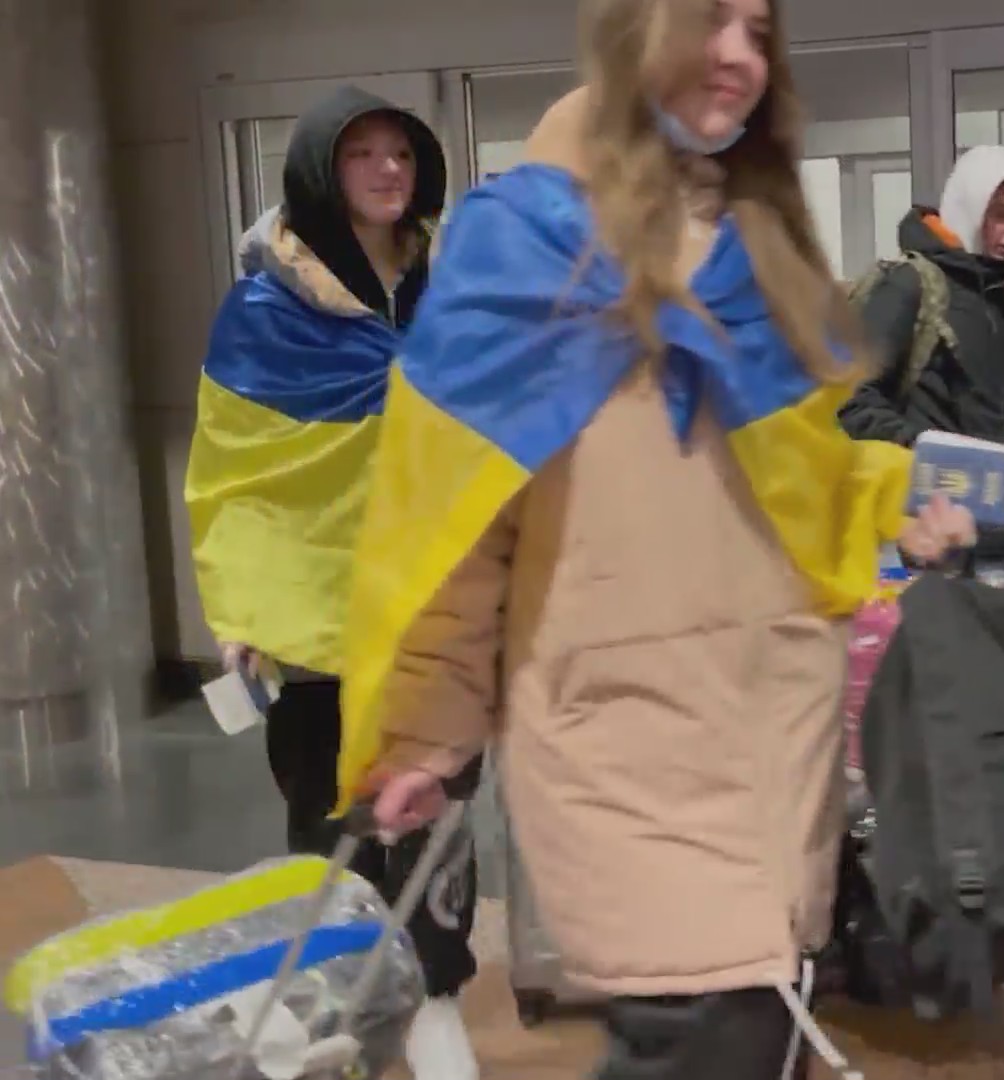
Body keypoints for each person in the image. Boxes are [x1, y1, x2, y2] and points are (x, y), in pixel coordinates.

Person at [338, 0, 975, 1075]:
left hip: (777, 729)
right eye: (709, 19)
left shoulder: (759, 244)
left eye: (759, 29)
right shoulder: (522, 248)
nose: (738, 54)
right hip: (620, 740)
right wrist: (425, 738)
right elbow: (459, 530)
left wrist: (897, 498)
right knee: (707, 1033)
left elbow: (806, 474)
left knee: (760, 1020)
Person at [182, 85, 480, 1080]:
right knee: (328, 810)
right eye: (365, 155)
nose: (389, 170)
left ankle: (436, 992)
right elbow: (240, 473)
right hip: (318, 609)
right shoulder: (268, 309)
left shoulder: (452, 283)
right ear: (321, 171)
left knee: (438, 800)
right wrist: (245, 605)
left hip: (439, 596)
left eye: (402, 153)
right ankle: (333, 1001)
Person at [838, 145, 1004, 586]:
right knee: (946, 642)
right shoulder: (910, 284)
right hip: (929, 526)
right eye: (1000, 213)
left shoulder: (1002, 293)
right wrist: (925, 456)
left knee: (990, 638)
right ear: (969, 205)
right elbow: (852, 400)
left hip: (989, 526)